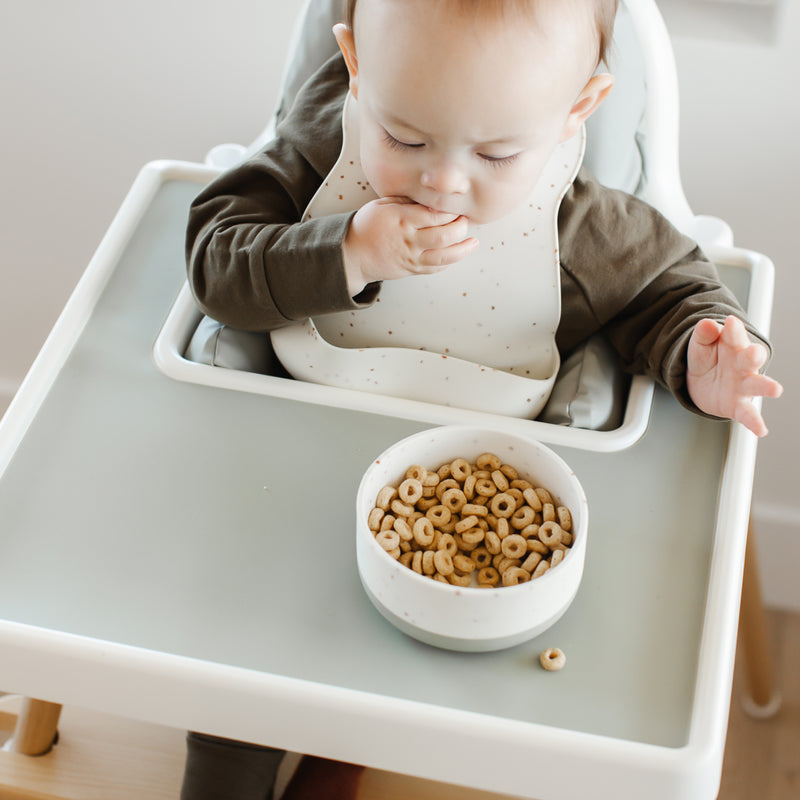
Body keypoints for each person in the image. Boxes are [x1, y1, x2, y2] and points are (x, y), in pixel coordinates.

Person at [181, 0, 783, 797]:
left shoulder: (575, 221)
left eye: (498, 153)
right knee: (235, 673)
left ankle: (347, 746)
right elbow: (214, 257)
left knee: (440, 677)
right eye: (403, 138)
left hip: (470, 509)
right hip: (285, 478)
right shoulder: (323, 146)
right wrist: (348, 249)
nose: (443, 181)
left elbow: (672, 288)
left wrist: (702, 355)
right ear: (357, 65)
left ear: (576, 112)